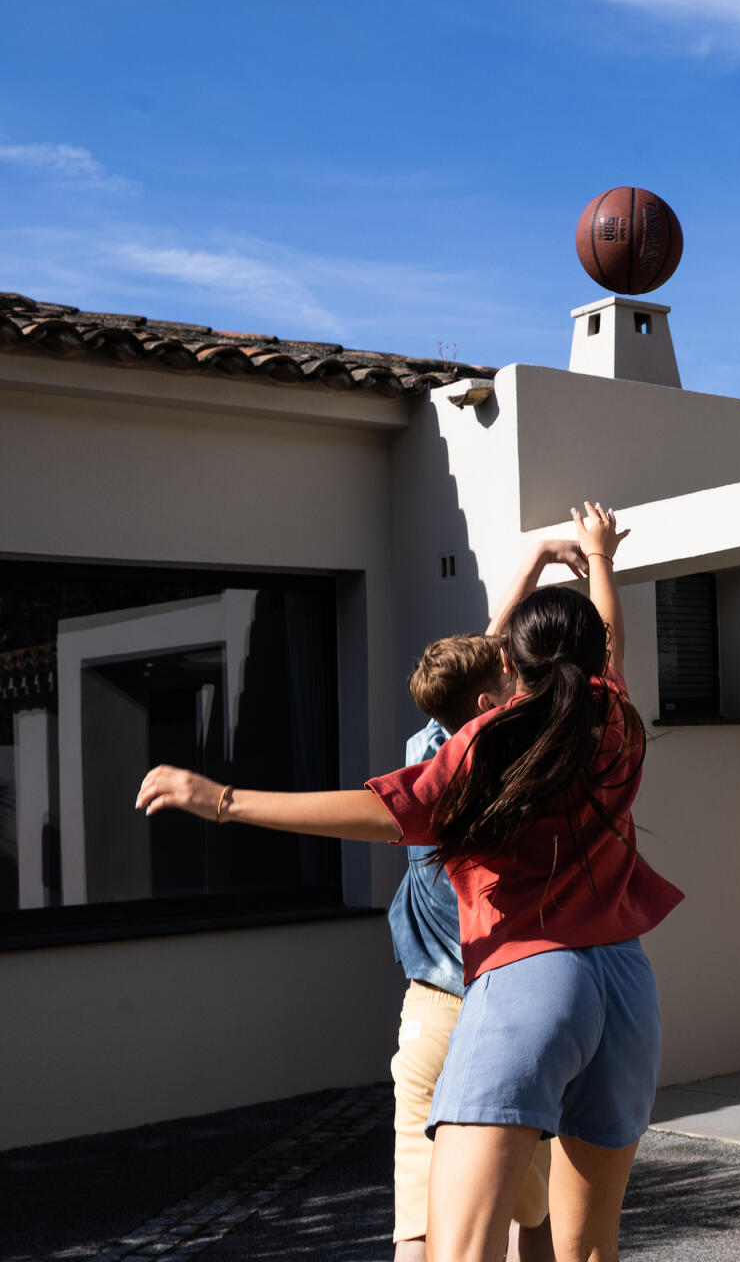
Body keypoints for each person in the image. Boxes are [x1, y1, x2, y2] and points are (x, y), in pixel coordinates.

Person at [136, 503, 684, 1262]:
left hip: (529, 979)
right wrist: (601, 561)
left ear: (508, 668)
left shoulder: (486, 743)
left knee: (457, 1252)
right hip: (627, 987)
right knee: (588, 1252)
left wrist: (226, 802)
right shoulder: (615, 715)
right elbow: (605, 638)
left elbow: (383, 812)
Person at [389, 536, 587, 1262]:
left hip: (426, 1015)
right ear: (487, 703)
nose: (514, 671)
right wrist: (589, 571)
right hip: (500, 1008)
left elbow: (484, 657)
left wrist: (532, 563)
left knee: (421, 1217)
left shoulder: (420, 760)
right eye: (505, 677)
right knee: (526, 1214)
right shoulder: (518, 767)